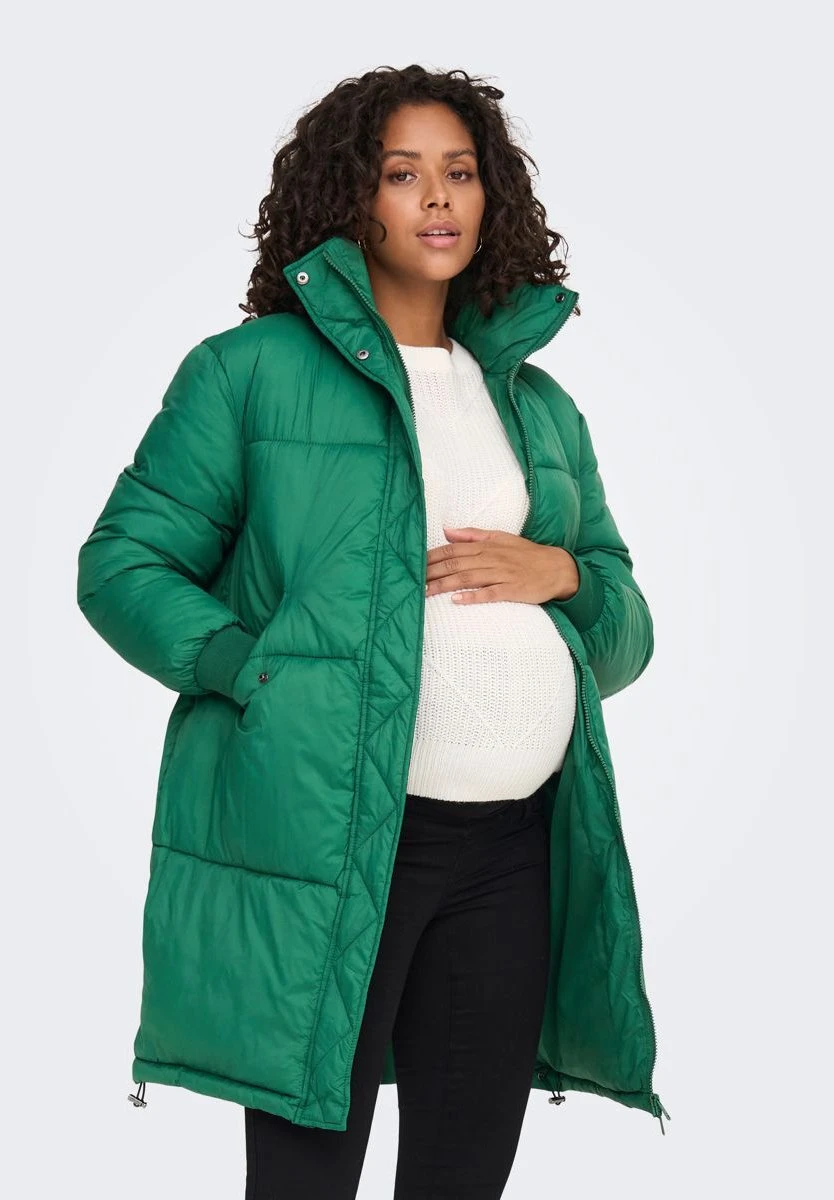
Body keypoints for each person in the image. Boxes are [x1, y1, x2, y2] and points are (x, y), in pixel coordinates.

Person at [77, 64, 669, 1200]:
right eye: (403, 174)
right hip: (338, 838)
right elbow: (122, 565)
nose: (438, 198)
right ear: (350, 197)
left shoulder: (535, 404)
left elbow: (627, 632)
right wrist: (253, 671)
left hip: (513, 845)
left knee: (463, 1175)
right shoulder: (250, 373)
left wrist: (561, 574)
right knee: (307, 1176)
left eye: (461, 172)